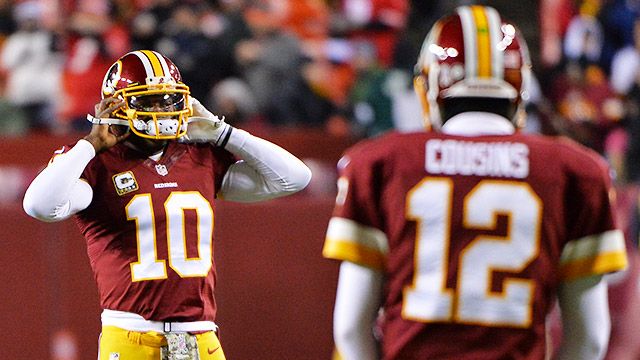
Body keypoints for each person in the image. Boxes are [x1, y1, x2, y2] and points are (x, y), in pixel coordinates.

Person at [322, 5, 628, 360]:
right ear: (520, 87)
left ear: (432, 84)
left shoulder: (378, 164)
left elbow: (349, 328)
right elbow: (589, 340)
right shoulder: (576, 172)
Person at [23, 50, 311, 360]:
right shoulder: (99, 163)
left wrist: (224, 133)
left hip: (202, 337)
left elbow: (294, 178)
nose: (161, 111)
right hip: (131, 337)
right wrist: (90, 145)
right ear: (115, 106)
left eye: (167, 100)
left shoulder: (200, 156)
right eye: (148, 101)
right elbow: (40, 205)